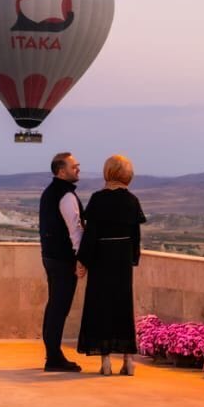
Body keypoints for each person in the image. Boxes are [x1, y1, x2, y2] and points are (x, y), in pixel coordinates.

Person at [77, 153, 146, 375]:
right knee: (122, 307)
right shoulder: (132, 200)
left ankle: (105, 361)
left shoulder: (98, 199)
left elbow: (91, 234)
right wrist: (132, 258)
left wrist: (83, 260)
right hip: (122, 259)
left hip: (102, 257)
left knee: (101, 306)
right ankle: (128, 360)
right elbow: (136, 235)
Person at [37, 152, 86, 372]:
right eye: (74, 166)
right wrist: (80, 258)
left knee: (54, 305)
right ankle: (54, 357)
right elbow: (75, 230)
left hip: (50, 256)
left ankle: (52, 354)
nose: (78, 169)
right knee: (59, 307)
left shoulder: (49, 193)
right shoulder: (65, 195)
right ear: (61, 171)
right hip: (62, 259)